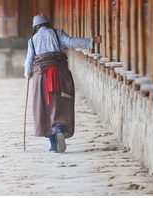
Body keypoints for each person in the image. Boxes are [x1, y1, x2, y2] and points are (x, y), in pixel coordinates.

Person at [24, 13, 102, 153]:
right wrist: (92, 40)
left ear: (35, 27)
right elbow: (72, 42)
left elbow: (29, 62)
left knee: (44, 107)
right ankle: (59, 128)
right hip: (60, 73)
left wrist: (28, 74)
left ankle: (53, 144)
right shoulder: (57, 33)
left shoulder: (32, 40)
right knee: (60, 102)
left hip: (41, 77)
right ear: (48, 23)